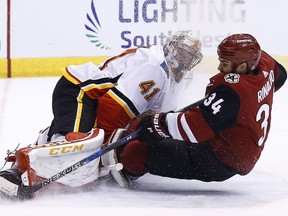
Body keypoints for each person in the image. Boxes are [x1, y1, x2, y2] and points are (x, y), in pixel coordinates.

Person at [0, 30, 203, 199]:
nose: (185, 60)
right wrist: (104, 145)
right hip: (79, 91)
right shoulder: (155, 68)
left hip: (93, 99)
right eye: (182, 52)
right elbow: (113, 106)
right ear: (171, 47)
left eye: (190, 57)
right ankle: (14, 176)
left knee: (82, 147)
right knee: (76, 144)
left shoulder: (177, 77)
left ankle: (44, 146)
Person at [119, 33, 287, 183]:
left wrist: (158, 122)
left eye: (225, 64)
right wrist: (250, 99)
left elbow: (194, 128)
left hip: (220, 159)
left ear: (242, 67)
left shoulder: (233, 91)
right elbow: (281, 76)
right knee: (154, 129)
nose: (220, 68)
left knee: (133, 153)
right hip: (236, 143)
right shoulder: (264, 63)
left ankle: (125, 169)